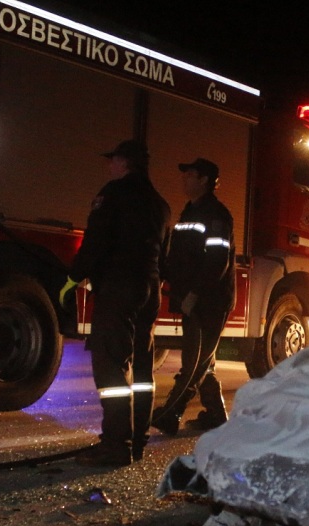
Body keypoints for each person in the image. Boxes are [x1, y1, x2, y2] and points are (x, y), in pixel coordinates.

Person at [64, 139, 170, 466]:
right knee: (140, 369)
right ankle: (136, 441)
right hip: (149, 289)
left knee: (112, 367)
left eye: (112, 160)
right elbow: (164, 254)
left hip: (119, 287)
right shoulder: (160, 204)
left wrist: (72, 278)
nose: (109, 166)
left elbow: (96, 241)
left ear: (124, 163)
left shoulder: (113, 194)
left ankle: (115, 444)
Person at [151, 158, 235, 436]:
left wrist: (195, 294)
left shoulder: (216, 215)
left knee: (195, 361)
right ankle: (216, 416)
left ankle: (170, 413)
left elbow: (217, 262)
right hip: (193, 299)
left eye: (190, 175)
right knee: (204, 361)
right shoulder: (190, 212)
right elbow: (180, 256)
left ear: (204, 180)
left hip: (209, 302)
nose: (184, 179)